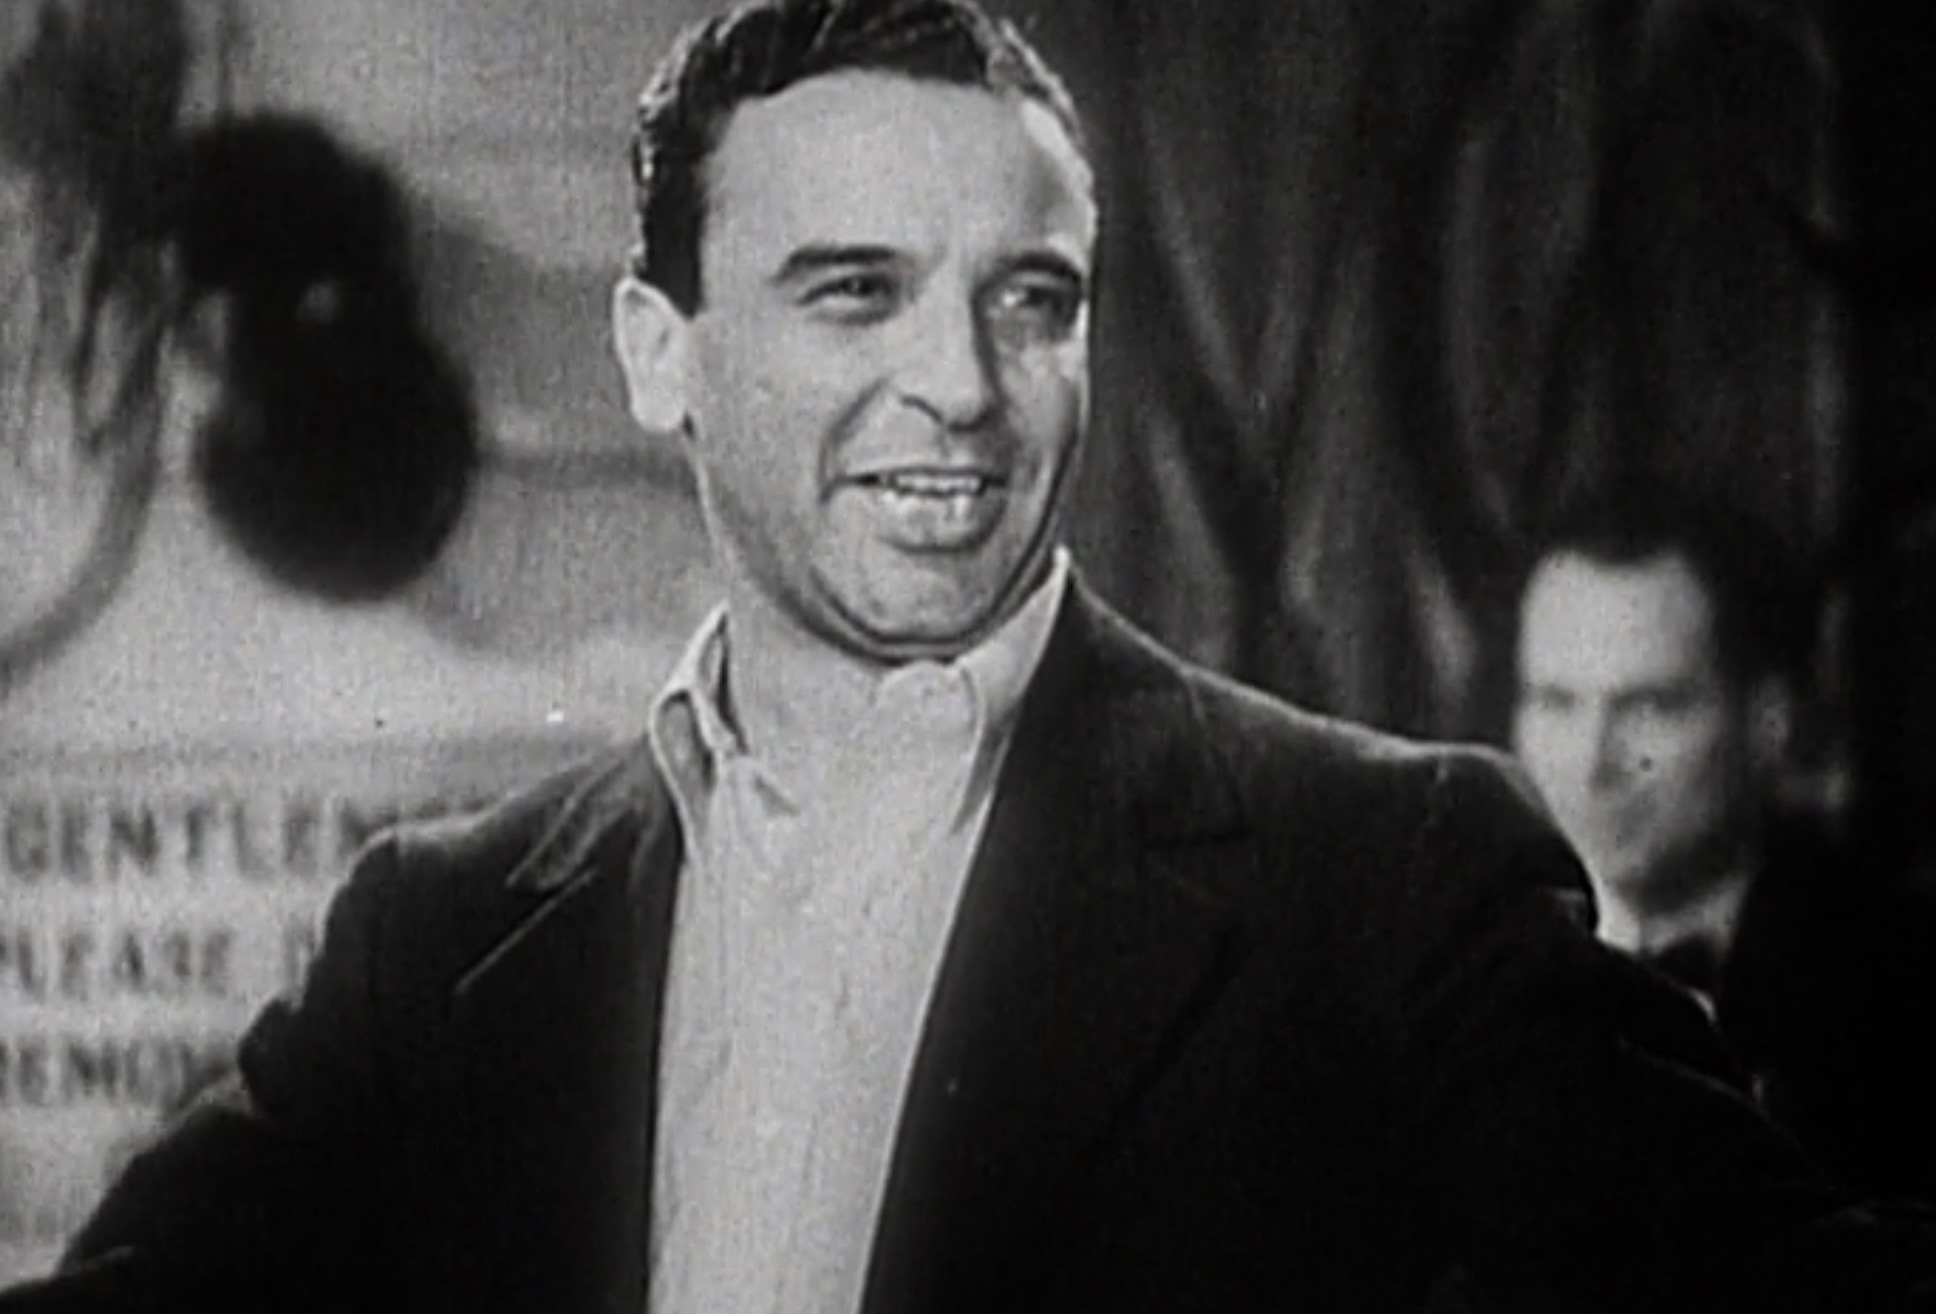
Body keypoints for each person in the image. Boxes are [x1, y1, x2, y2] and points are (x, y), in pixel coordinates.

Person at [6, 2, 1936, 1311]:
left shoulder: (1385, 880)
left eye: (1031, 300)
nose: (962, 381)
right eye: (854, 290)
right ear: (660, 353)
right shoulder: (437, 939)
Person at [1510, 492, 1936, 1199]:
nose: (1592, 764)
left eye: (1649, 706)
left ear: (1769, 722)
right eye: (1555, 702)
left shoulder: (1900, 992)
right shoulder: (1462, 966)